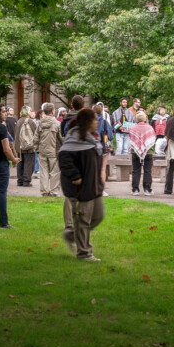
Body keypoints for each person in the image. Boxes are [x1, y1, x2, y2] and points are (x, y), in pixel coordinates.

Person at [58, 108, 106, 261]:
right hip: (79, 188)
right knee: (83, 220)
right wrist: (75, 176)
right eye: (94, 120)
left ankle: (71, 235)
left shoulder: (91, 138)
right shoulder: (75, 137)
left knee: (98, 216)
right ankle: (84, 253)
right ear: (88, 122)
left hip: (93, 186)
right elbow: (63, 158)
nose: (97, 122)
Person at [32, 102, 63, 197]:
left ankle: (44, 191)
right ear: (53, 112)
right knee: (55, 172)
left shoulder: (40, 123)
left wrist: (36, 149)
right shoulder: (57, 123)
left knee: (44, 172)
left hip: (42, 151)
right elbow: (60, 138)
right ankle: (54, 191)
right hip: (54, 151)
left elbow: (36, 138)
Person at [128, 111, 156, 196]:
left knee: (136, 170)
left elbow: (131, 139)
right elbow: (153, 139)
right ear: (145, 118)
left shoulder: (133, 128)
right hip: (148, 152)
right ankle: (147, 189)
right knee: (147, 171)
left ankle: (135, 189)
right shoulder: (150, 128)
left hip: (135, 152)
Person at [15, 105, 38, 187]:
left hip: (19, 146)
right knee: (29, 163)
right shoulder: (30, 121)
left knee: (20, 163)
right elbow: (36, 133)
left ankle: (20, 181)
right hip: (28, 146)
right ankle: (26, 181)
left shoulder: (18, 121)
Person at [94, 103, 114, 191]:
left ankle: (93, 188)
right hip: (104, 148)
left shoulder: (89, 123)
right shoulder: (105, 122)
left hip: (92, 148)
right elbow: (111, 136)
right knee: (102, 169)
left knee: (93, 169)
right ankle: (102, 189)